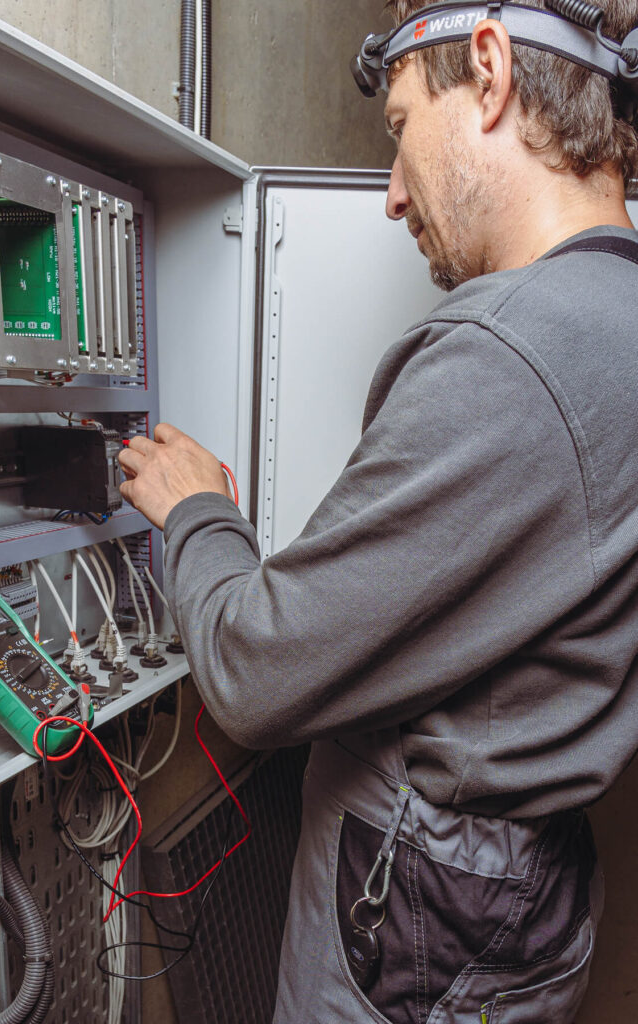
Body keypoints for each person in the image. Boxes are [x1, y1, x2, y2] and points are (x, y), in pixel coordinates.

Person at [119, 0, 638, 1019]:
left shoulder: (510, 356)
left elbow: (256, 674)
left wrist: (198, 515)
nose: (394, 195)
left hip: (423, 909)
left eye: (400, 130)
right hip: (528, 890)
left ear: (488, 71)